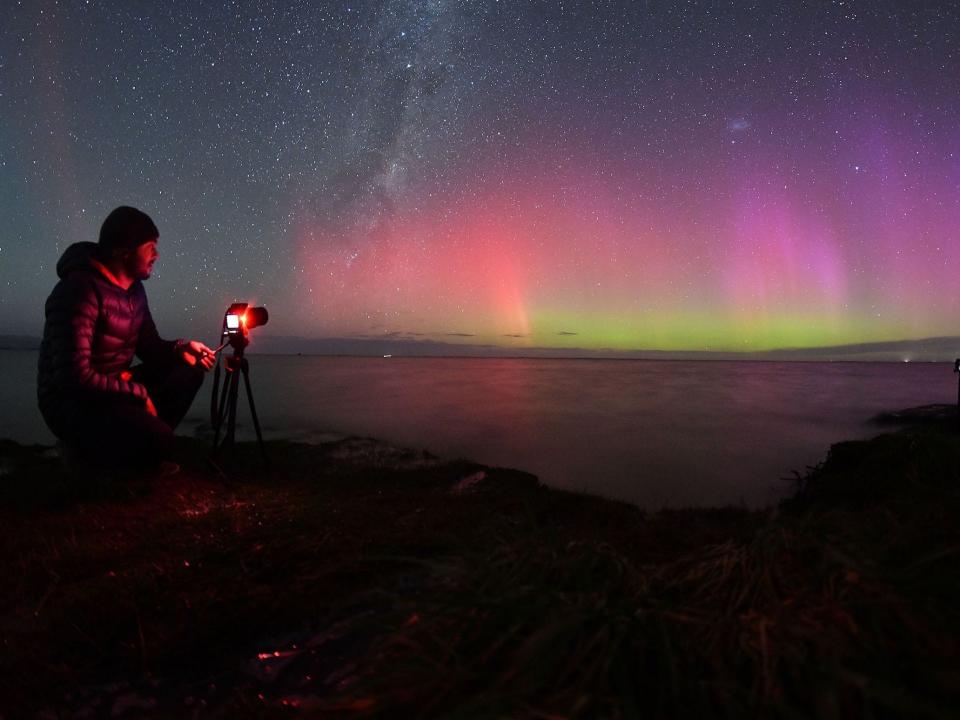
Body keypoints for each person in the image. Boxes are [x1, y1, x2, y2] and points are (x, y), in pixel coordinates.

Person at [37, 206, 216, 472]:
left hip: (112, 389)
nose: (156, 254)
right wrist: (138, 393)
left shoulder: (135, 291)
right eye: (150, 247)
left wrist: (181, 348)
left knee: (189, 371)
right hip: (70, 402)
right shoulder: (78, 291)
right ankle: (84, 451)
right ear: (124, 251)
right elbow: (72, 378)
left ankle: (140, 445)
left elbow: (150, 347)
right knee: (160, 439)